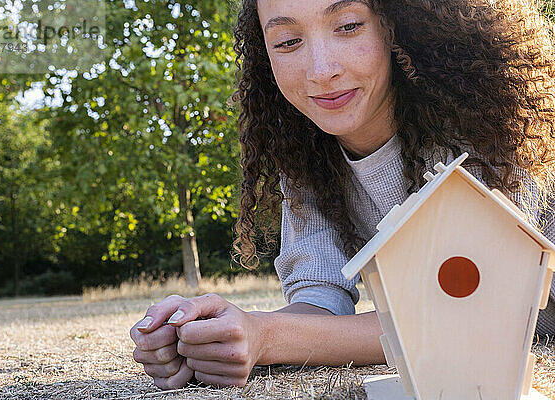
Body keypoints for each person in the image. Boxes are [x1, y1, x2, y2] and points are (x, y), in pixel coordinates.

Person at [130, 0, 555, 390]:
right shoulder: (306, 155)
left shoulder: (484, 123)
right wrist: (218, 335)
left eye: (349, 26)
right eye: (287, 41)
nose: (321, 70)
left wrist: (266, 337)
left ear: (395, 25)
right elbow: (320, 304)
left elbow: (471, 314)